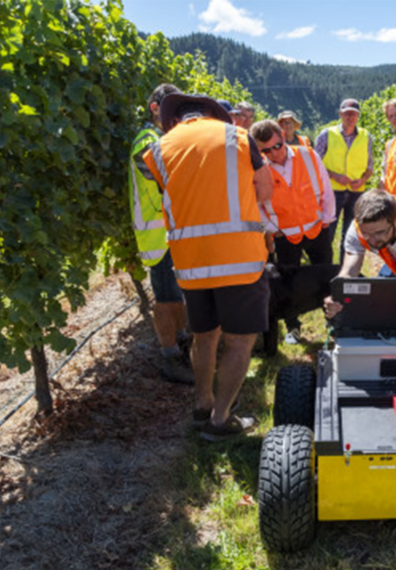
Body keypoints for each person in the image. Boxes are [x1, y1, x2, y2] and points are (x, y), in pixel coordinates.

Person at [143, 93, 274, 441]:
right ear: (214, 115)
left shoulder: (159, 148)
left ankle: (203, 404)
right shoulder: (238, 136)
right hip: (240, 259)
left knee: (204, 336)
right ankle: (220, 421)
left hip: (190, 263)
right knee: (241, 340)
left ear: (175, 119)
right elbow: (264, 191)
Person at [128, 83, 194, 385]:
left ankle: (181, 345)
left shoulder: (161, 138)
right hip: (159, 236)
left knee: (176, 295)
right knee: (166, 300)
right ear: (154, 108)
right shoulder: (147, 140)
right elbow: (167, 177)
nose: (175, 117)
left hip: (172, 232)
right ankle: (170, 359)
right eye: (169, 109)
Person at [250, 119, 336, 343]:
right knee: (287, 285)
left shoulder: (308, 155)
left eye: (276, 146)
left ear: (283, 136)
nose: (273, 154)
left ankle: (332, 321)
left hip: (317, 228)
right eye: (265, 150)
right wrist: (272, 230)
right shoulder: (258, 168)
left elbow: (325, 188)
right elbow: (256, 205)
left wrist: (326, 219)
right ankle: (293, 327)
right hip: (286, 235)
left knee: (327, 276)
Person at [323, 189, 396, 319]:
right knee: (381, 308)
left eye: (379, 233)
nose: (373, 240)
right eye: (367, 234)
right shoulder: (358, 228)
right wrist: (337, 295)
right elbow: (349, 272)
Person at [315, 98, 374, 262]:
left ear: (358, 116)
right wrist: (335, 176)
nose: (350, 117)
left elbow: (370, 166)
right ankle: (325, 268)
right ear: (340, 114)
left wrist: (363, 180)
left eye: (354, 114)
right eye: (347, 113)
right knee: (328, 232)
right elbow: (314, 165)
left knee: (351, 233)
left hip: (356, 192)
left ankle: (345, 270)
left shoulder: (366, 136)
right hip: (331, 191)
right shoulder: (326, 134)